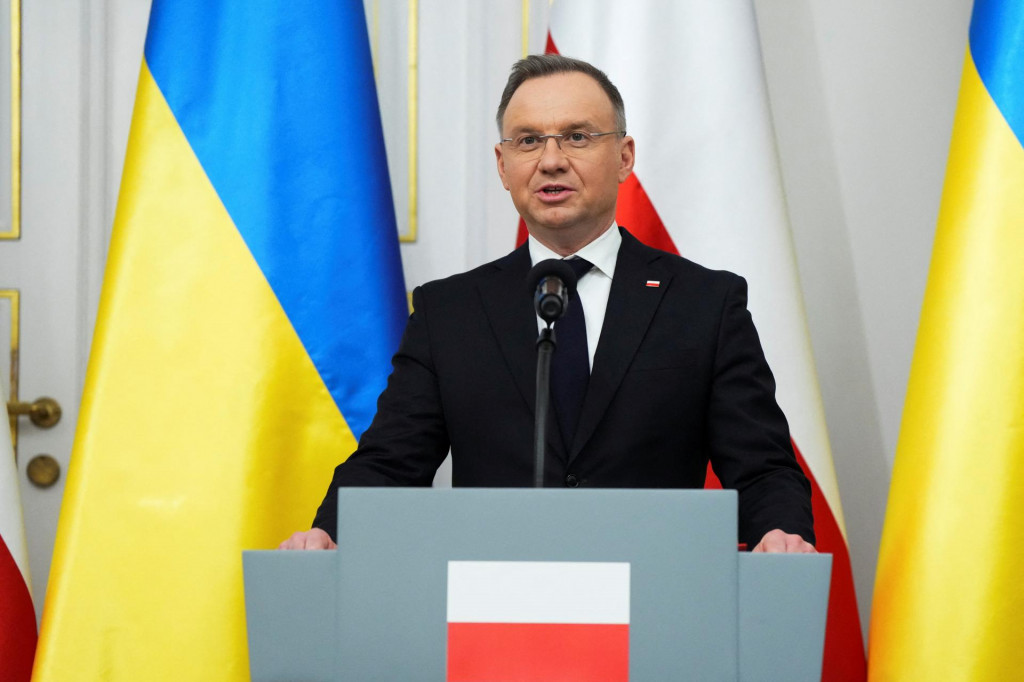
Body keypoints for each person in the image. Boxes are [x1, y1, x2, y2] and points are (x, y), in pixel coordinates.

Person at [280, 54, 815, 554]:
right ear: (502, 163)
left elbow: (762, 467)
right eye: (528, 141)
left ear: (625, 156)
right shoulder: (451, 312)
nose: (551, 161)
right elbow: (391, 463)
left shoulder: (704, 304)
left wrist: (780, 532)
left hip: (656, 605)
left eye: (578, 137)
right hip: (497, 612)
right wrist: (329, 534)